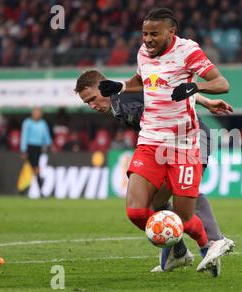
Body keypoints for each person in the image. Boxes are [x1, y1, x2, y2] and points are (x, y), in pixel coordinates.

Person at [97, 7, 233, 274]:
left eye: (154, 34)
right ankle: (181, 250)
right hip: (150, 140)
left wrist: (195, 86)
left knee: (182, 216)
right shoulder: (142, 52)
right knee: (137, 212)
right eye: (145, 34)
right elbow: (144, 79)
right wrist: (122, 86)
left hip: (184, 144)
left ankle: (209, 244)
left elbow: (222, 83)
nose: (147, 39)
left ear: (172, 32)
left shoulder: (188, 51)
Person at [75, 68, 234, 276]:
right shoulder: (117, 104)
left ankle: (214, 240)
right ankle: (178, 251)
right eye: (87, 103)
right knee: (155, 203)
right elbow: (166, 91)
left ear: (102, 86)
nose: (92, 105)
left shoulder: (126, 95)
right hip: (163, 146)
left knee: (181, 193)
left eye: (93, 98)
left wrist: (207, 101)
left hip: (191, 139)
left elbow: (168, 87)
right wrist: (206, 102)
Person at [20, 106, 52, 190]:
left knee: (35, 165)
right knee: (34, 165)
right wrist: (23, 150)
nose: (37, 114)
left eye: (39, 113)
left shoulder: (43, 123)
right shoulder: (27, 123)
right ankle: (38, 181)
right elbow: (24, 136)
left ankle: (38, 182)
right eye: (36, 112)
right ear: (32, 113)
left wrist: (49, 144)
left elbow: (46, 135)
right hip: (30, 146)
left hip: (39, 147)